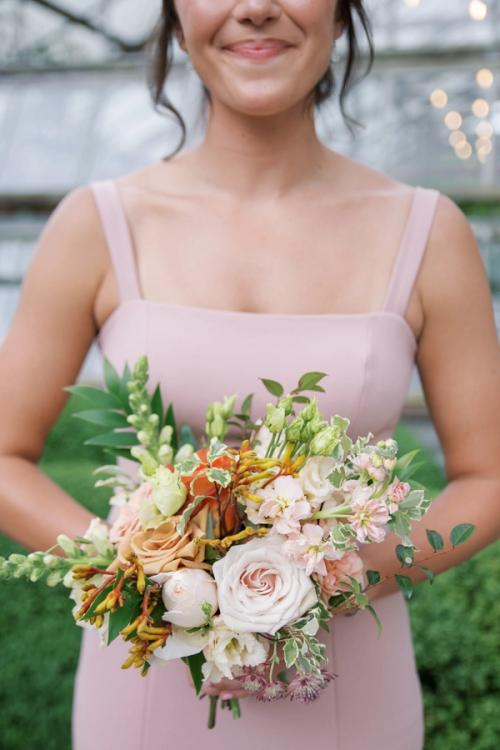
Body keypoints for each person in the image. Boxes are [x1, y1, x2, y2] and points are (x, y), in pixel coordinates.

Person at [1, 1, 499, 749]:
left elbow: (488, 474)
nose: (257, 6)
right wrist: (149, 574)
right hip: (142, 695)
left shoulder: (428, 233)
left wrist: (343, 576)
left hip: (348, 691)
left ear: (340, 16)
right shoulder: (98, 224)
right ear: (174, 18)